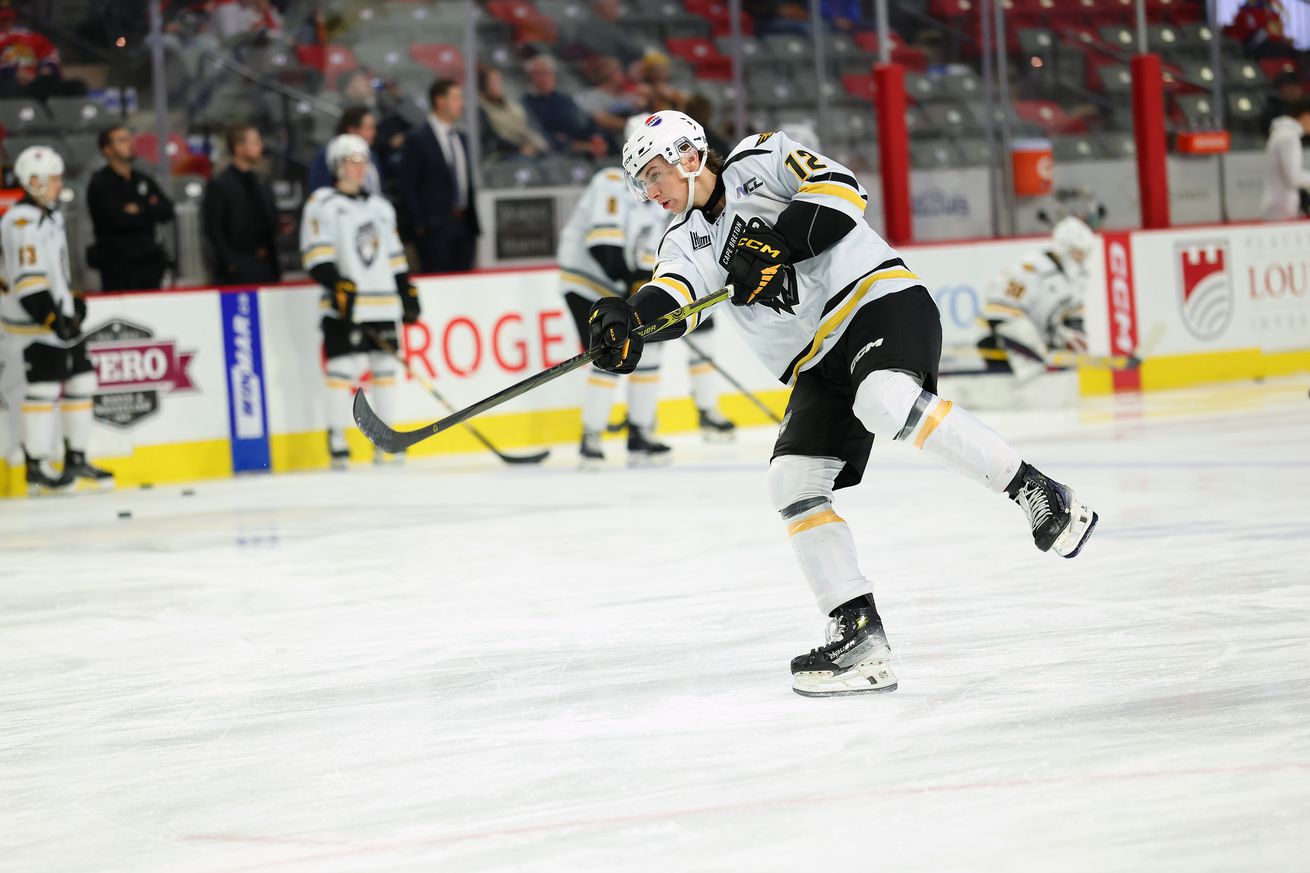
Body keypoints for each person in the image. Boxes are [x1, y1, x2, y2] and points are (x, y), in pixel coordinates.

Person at [587, 111, 1098, 697]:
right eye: (641, 182)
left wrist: (777, 246)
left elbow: (842, 190)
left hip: (877, 300)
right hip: (817, 361)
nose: (649, 192)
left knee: (884, 401)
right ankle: (859, 635)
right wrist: (630, 321)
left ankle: (1037, 490)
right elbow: (674, 294)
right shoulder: (682, 239)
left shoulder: (762, 158)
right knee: (792, 483)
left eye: (654, 175)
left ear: (688, 156)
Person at [0, 145, 114, 493]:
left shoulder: (50, 215)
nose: (57, 185)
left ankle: (75, 459)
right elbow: (28, 281)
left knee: (82, 381)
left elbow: (56, 271)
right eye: (52, 179)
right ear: (32, 181)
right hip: (34, 321)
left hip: (56, 316)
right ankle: (35, 467)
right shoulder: (20, 221)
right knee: (45, 387)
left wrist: (72, 303)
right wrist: (51, 316)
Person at [301, 133, 419, 468]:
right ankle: (337, 437)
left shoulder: (381, 207)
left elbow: (395, 257)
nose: (360, 168)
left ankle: (386, 439)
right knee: (343, 369)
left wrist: (406, 290)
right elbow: (315, 255)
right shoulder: (322, 203)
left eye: (363, 161)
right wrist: (337, 284)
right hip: (345, 303)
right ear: (338, 166)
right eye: (353, 161)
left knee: (384, 369)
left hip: (382, 302)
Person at [976, 216, 1094, 381]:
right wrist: (1036, 350)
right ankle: (1032, 376)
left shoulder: (1075, 279)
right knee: (1024, 334)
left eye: (1083, 254)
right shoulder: (1031, 268)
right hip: (996, 341)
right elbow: (999, 312)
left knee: (1071, 347)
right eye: (1078, 252)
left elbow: (1073, 316)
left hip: (1039, 340)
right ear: (1064, 248)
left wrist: (1068, 336)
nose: (1081, 259)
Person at [400, 79, 480, 274]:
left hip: (464, 224)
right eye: (456, 98)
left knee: (464, 283)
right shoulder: (418, 138)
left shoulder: (462, 138)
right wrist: (420, 223)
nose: (461, 103)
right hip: (434, 228)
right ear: (440, 101)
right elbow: (407, 184)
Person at [85, 124, 176, 292]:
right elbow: (116, 219)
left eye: (130, 138)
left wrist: (139, 209)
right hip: (118, 267)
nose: (130, 143)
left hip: (150, 263)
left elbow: (167, 209)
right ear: (108, 150)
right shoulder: (100, 183)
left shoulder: (142, 179)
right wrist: (149, 208)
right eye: (122, 140)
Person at [202, 123, 282, 284]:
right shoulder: (220, 185)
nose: (261, 147)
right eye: (254, 143)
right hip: (238, 270)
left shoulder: (261, 181)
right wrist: (231, 263)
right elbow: (213, 228)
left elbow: (267, 217)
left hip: (268, 266)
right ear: (239, 148)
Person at [521, 54, 607, 158]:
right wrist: (584, 146)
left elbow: (586, 121)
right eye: (537, 74)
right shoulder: (526, 103)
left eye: (545, 73)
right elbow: (540, 134)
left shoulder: (565, 99)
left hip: (585, 147)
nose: (542, 78)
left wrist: (596, 137)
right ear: (530, 77)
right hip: (557, 153)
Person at [478, 65, 548, 161]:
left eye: (500, 81)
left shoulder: (512, 106)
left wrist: (540, 146)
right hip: (499, 155)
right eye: (494, 82)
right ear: (483, 86)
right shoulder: (480, 109)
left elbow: (523, 129)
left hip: (522, 148)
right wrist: (519, 149)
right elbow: (492, 139)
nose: (499, 85)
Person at [306, 105, 381, 195]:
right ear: (352, 130)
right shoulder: (326, 155)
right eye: (369, 128)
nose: (374, 133)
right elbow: (318, 192)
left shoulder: (372, 155)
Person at [1260, 98, 1310, 220]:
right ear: (1305, 115)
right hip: (1280, 208)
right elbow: (1294, 178)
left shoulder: (1283, 134)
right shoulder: (1288, 137)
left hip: (1280, 205)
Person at [1259, 70, 1305, 138]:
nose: (1293, 90)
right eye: (1288, 87)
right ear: (1281, 89)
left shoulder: (1304, 106)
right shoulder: (1273, 110)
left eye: (1296, 86)